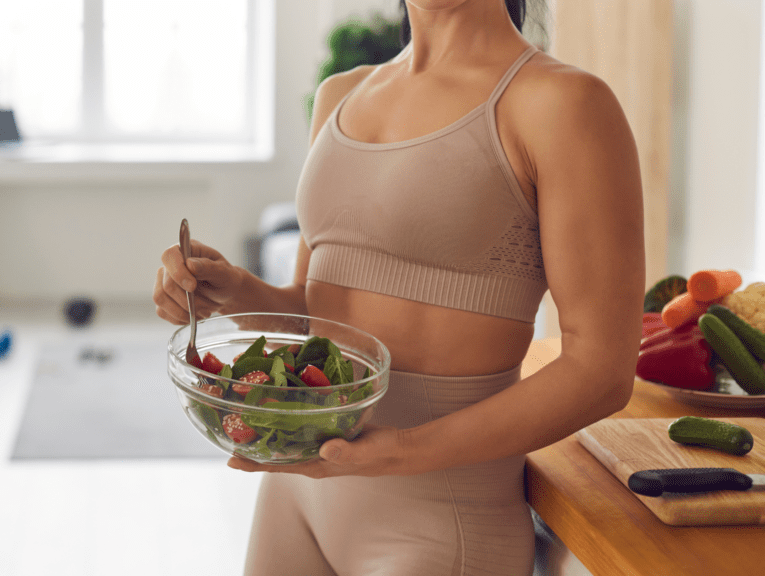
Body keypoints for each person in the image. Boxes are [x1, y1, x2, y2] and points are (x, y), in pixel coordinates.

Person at [153, 0, 644, 574]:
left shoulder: (561, 104)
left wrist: (404, 452)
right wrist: (233, 293)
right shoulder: (342, 95)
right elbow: (318, 313)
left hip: (439, 517)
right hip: (298, 494)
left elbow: (602, 371)